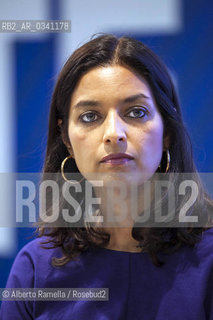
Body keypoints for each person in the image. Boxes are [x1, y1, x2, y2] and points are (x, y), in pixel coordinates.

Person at [1, 34, 213, 320]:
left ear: (167, 133)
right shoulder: (34, 270)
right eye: (90, 116)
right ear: (66, 138)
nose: (114, 133)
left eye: (136, 112)